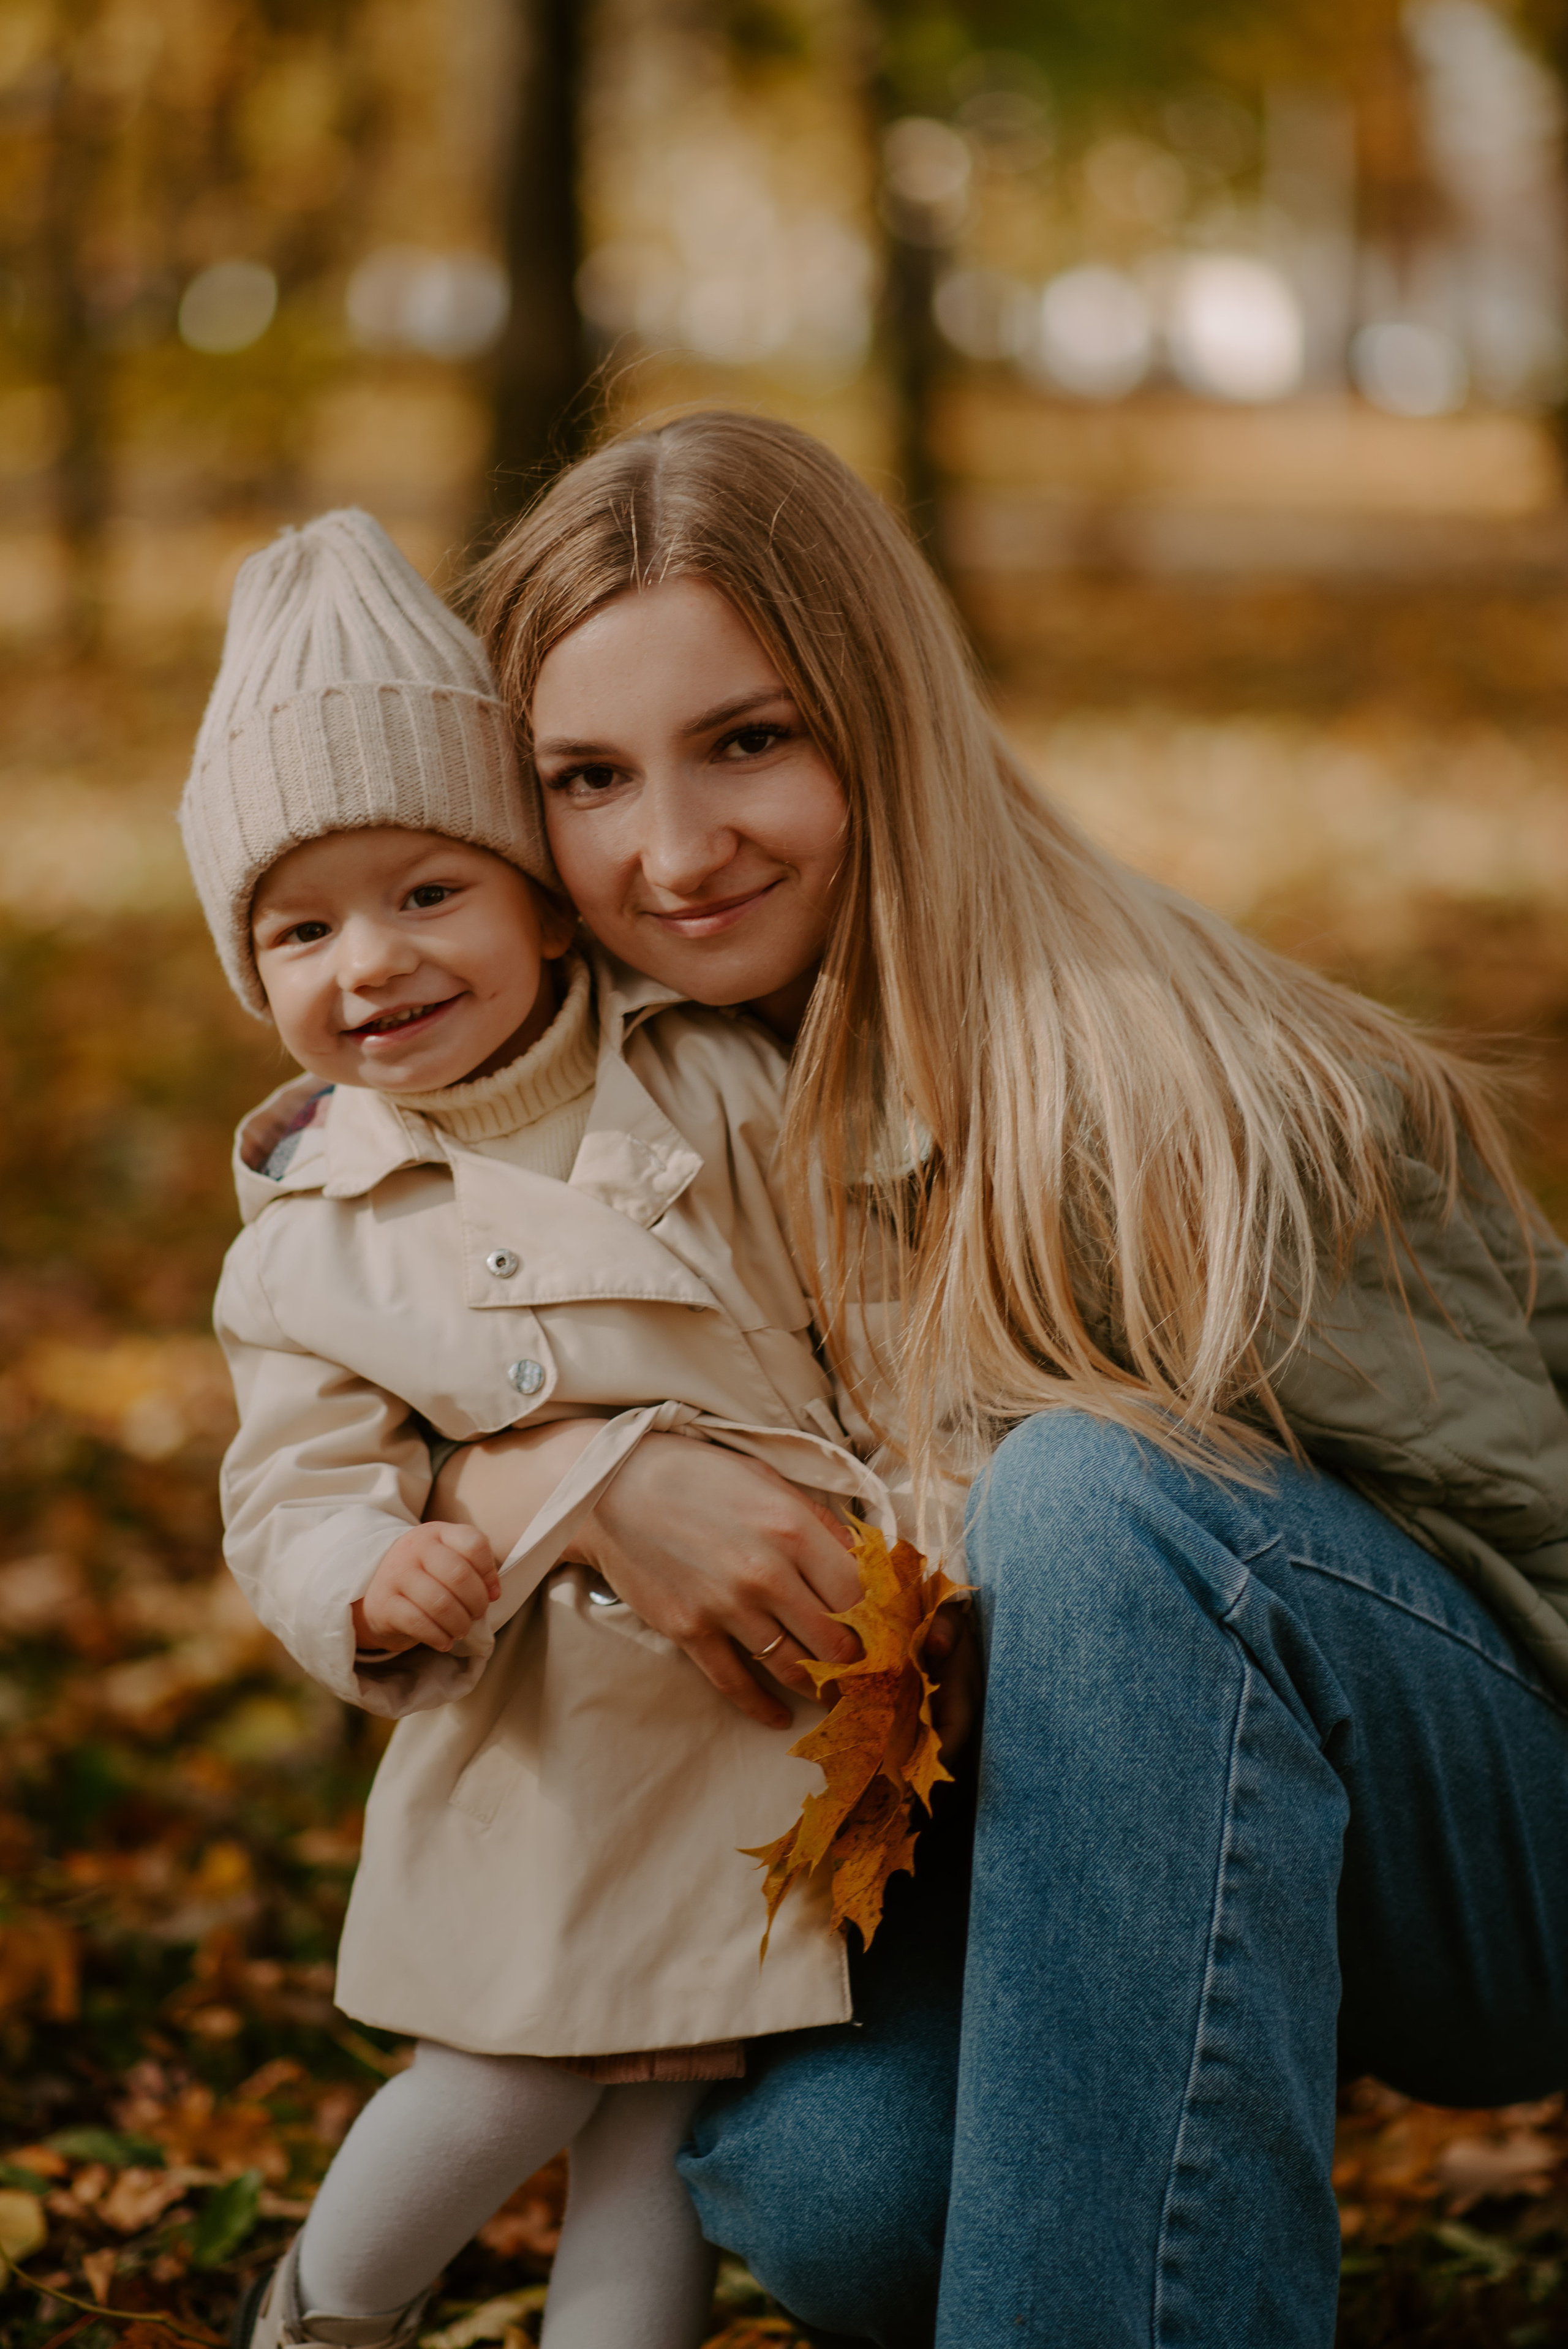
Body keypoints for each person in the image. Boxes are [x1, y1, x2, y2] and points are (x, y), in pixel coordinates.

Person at [430, 409, 1568, 2349]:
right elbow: (350, 1397)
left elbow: (1517, 1520)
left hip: (1495, 1837)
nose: (673, 851)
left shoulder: (1153, 1097)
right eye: (588, 777)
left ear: (885, 721)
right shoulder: (597, 1088)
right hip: (1107, 1850)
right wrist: (573, 1479)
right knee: (835, 2187)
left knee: (1092, 1500)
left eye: (750, 741)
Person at [179, 508, 926, 2349]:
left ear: (536, 890)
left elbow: (866, 1308)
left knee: (659, 2123)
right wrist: (372, 1576)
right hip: (545, 1747)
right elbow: (295, 1490)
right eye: (303, 928)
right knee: (505, 2073)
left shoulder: (709, 1075)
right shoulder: (314, 1238)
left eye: (428, 892)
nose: (372, 961)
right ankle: (323, 2312)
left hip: (759, 1722)